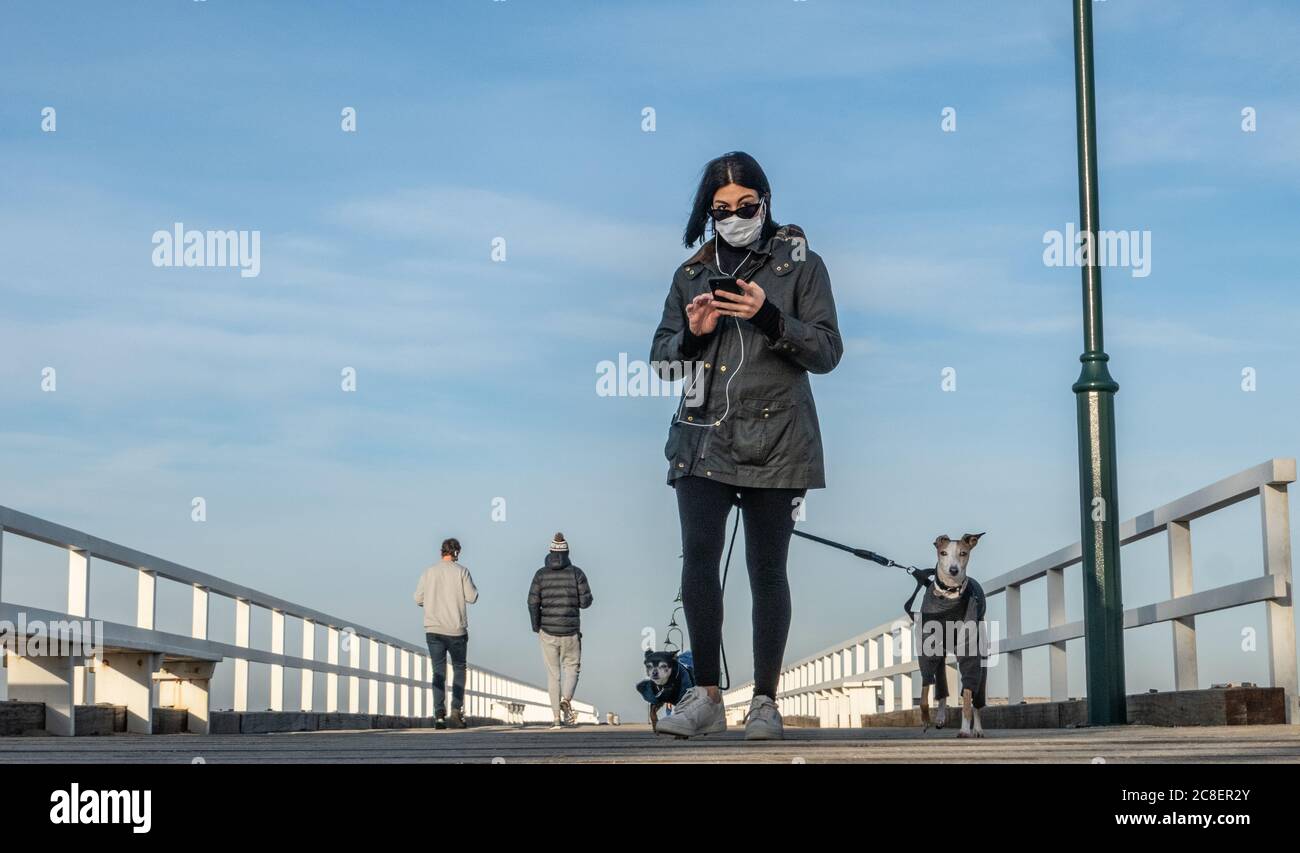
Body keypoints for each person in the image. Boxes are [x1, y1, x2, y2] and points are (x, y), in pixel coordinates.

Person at [650, 151, 842, 740]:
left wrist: (770, 318)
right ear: (708, 212)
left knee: (767, 570)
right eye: (721, 209)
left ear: (765, 201)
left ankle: (764, 700)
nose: (734, 216)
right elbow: (659, 363)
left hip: (779, 440)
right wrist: (691, 335)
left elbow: (828, 351)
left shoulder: (802, 265)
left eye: (745, 206)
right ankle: (706, 695)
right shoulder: (690, 273)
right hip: (702, 439)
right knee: (699, 562)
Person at [527, 532, 593, 728]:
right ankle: (566, 699)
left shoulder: (540, 574)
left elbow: (532, 602)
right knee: (572, 667)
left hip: (547, 631)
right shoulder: (576, 573)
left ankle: (556, 719)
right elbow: (586, 602)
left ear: (550, 552)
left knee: (553, 675)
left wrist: (536, 626)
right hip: (571, 631)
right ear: (567, 552)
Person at [414, 537, 479, 729]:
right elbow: (472, 597)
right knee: (459, 669)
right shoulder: (462, 572)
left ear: (441, 552)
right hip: (456, 630)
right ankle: (456, 712)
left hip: (433, 629)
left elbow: (418, 598)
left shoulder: (429, 572)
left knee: (438, 672)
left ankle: (439, 715)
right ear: (457, 552)